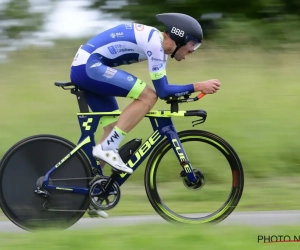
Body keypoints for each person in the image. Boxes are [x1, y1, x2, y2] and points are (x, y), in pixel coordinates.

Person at [70, 13, 221, 218]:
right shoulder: (155, 44)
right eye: (193, 45)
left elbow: (165, 89)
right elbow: (163, 91)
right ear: (180, 38)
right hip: (89, 67)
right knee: (148, 96)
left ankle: (92, 193)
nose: (192, 51)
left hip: (89, 66)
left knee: (113, 126)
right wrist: (198, 86)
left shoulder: (158, 46)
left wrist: (188, 91)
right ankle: (108, 148)